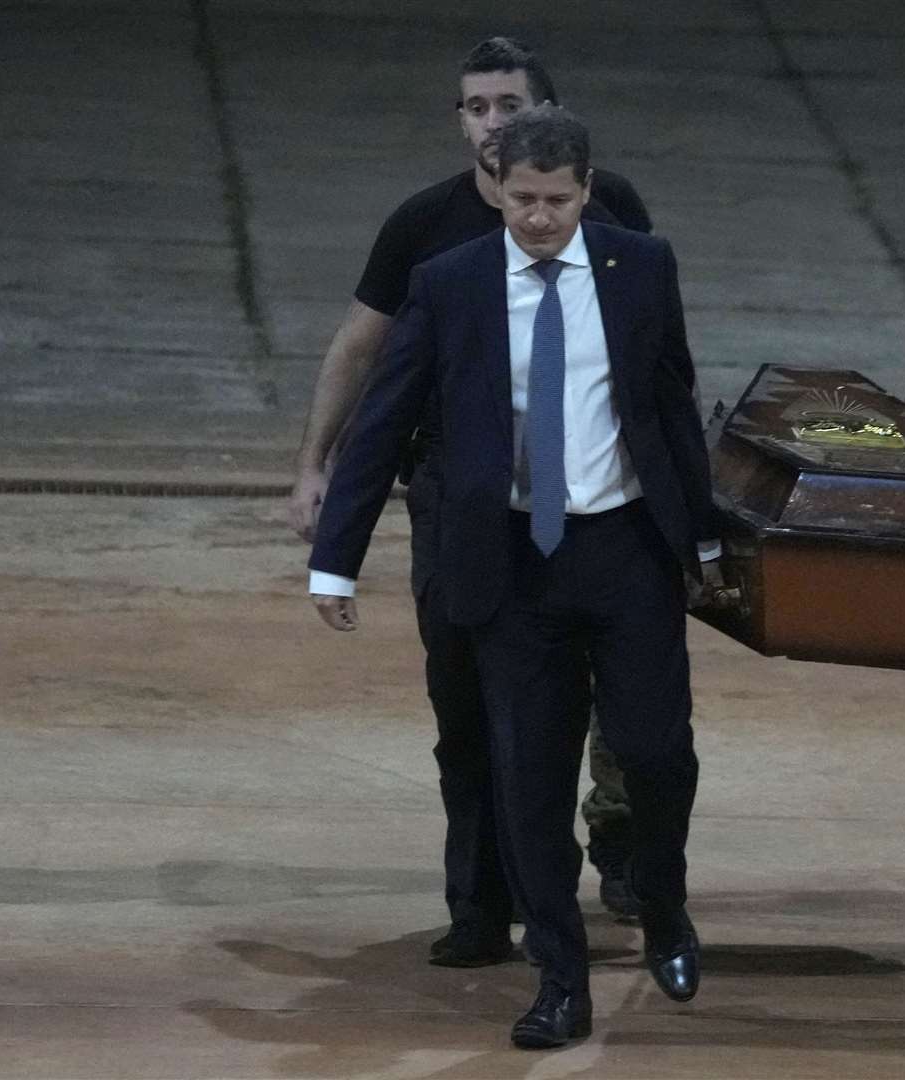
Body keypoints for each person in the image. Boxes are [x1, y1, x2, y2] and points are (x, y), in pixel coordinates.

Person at [308, 105, 718, 1049]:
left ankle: (665, 909)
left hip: (624, 553)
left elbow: (669, 400)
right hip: (511, 565)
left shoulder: (640, 266)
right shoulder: (449, 283)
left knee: (657, 754)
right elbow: (384, 420)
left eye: (558, 200)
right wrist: (337, 557)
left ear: (587, 190)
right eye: (523, 199)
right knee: (527, 778)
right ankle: (561, 980)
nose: (539, 218)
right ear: (498, 188)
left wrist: (699, 543)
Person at [285, 37, 647, 968]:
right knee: (466, 710)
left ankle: (588, 872)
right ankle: (481, 906)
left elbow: (649, 360)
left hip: (585, 506)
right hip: (457, 505)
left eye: (508, 105)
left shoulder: (613, 215)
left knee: (582, 707)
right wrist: (314, 466)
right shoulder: (424, 227)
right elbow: (361, 351)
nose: (491, 122)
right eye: (475, 106)